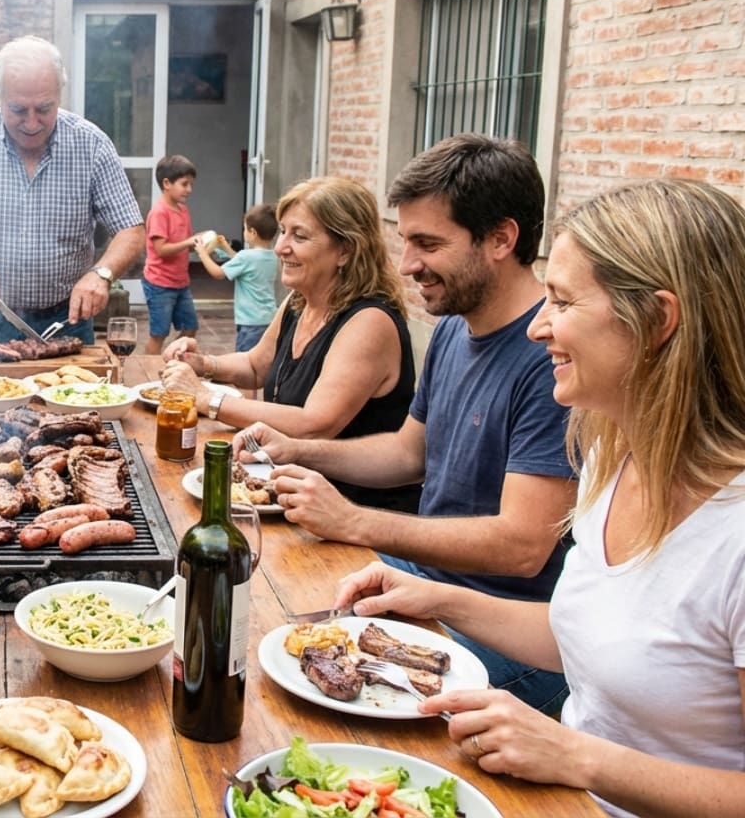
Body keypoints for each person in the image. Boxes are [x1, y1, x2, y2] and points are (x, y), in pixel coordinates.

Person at [335, 179, 745, 818]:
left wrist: (576, 755)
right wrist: (440, 598)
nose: (539, 327)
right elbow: (587, 635)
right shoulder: (614, 456)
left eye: (563, 301)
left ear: (659, 320)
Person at [244, 135, 576, 713]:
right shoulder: (453, 326)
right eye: (404, 241)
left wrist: (352, 520)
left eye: (427, 244)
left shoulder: (551, 361)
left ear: (502, 238)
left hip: (504, 631)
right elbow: (407, 454)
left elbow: (522, 548)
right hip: (423, 579)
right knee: (259, 600)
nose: (406, 265)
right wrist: (297, 449)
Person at [161, 176, 420, 512]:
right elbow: (256, 366)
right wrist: (205, 364)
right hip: (289, 497)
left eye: (299, 236)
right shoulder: (301, 301)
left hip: (356, 517)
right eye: (283, 231)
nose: (281, 246)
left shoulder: (370, 321)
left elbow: (315, 425)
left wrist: (207, 398)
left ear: (345, 250)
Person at [0, 35, 145, 345]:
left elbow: (131, 229)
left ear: (59, 95)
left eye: (44, 108)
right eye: (18, 109)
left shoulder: (92, 145)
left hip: (67, 320)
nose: (31, 123)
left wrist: (102, 274)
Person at [193, 202, 281, 354]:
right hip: (268, 319)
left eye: (244, 229)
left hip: (250, 323)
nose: (244, 232)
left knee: (245, 361)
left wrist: (201, 253)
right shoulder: (273, 256)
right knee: (263, 358)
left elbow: (218, 273)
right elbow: (242, 263)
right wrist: (225, 247)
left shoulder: (246, 257)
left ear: (253, 232)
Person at [142, 154, 201, 357]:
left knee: (190, 328)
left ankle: (169, 358)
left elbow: (187, 243)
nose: (189, 190)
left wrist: (202, 243)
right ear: (166, 183)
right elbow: (161, 250)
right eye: (184, 184)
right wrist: (187, 243)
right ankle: (146, 367)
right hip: (160, 284)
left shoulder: (182, 209)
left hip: (180, 283)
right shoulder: (159, 212)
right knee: (159, 333)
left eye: (191, 184)